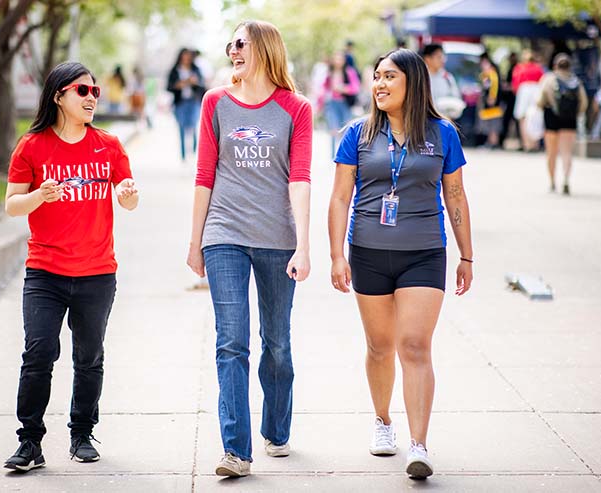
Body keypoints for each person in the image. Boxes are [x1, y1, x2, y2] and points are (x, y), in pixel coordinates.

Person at [328, 48, 473, 480]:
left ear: (413, 82)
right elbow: (339, 197)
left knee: (414, 345)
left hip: (425, 252)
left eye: (389, 76)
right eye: (376, 77)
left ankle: (419, 443)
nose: (379, 85)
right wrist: (337, 254)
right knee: (379, 346)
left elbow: (456, 196)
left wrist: (466, 254)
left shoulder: (443, 134)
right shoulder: (357, 133)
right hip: (368, 252)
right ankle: (383, 422)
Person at [187, 20, 312, 478]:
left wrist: (304, 244)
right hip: (225, 233)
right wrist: (196, 239)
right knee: (231, 341)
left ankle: (276, 430)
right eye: (230, 44)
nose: (233, 51)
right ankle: (236, 450)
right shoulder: (215, 102)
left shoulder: (295, 108)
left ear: (264, 47)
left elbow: (299, 177)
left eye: (241, 43)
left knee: (276, 343)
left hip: (278, 238)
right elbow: (205, 174)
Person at [2, 61, 139, 472]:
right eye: (83, 91)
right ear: (59, 94)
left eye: (95, 91)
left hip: (97, 272)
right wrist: (40, 196)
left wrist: (129, 193)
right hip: (45, 272)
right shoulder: (32, 146)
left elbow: (127, 200)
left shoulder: (109, 145)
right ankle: (30, 442)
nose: (92, 97)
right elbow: (11, 205)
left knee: (88, 356)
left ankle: (81, 433)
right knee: (39, 352)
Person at [538, 52, 587, 195]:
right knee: (566, 152)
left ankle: (552, 182)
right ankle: (566, 179)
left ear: (555, 65)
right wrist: (575, 114)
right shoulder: (575, 81)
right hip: (569, 120)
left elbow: (540, 101)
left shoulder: (548, 79)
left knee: (551, 153)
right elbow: (584, 103)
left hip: (551, 118)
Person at [167, 48, 206, 162]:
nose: (186, 59)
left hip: (193, 101)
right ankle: (183, 154)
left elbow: (202, 85)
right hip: (180, 102)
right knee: (182, 127)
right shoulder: (175, 70)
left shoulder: (196, 69)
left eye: (188, 56)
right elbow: (169, 86)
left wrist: (194, 82)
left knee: (193, 125)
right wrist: (182, 83)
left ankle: (194, 151)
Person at [322, 51, 361, 156]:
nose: (338, 61)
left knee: (345, 129)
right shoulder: (329, 73)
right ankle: (333, 155)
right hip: (332, 103)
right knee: (333, 129)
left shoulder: (349, 72)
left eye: (340, 59)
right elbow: (324, 88)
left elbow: (356, 87)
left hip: (345, 103)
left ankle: (345, 154)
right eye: (336, 58)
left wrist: (344, 88)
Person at [512, 50, 546, 151]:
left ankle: (526, 144)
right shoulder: (538, 68)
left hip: (524, 91)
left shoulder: (519, 68)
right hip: (536, 91)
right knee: (535, 117)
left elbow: (515, 83)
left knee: (522, 118)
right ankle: (534, 144)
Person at [421, 43, 464, 121]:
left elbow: (456, 98)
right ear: (428, 59)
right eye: (439, 57)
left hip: (444, 122)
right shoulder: (420, 78)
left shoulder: (447, 77)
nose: (443, 60)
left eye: (443, 56)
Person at [477, 53, 503, 148]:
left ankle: (493, 142)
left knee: (493, 123)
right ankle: (490, 141)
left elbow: (494, 86)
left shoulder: (492, 74)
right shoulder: (486, 74)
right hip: (488, 103)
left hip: (492, 103)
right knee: (489, 122)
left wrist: (492, 97)